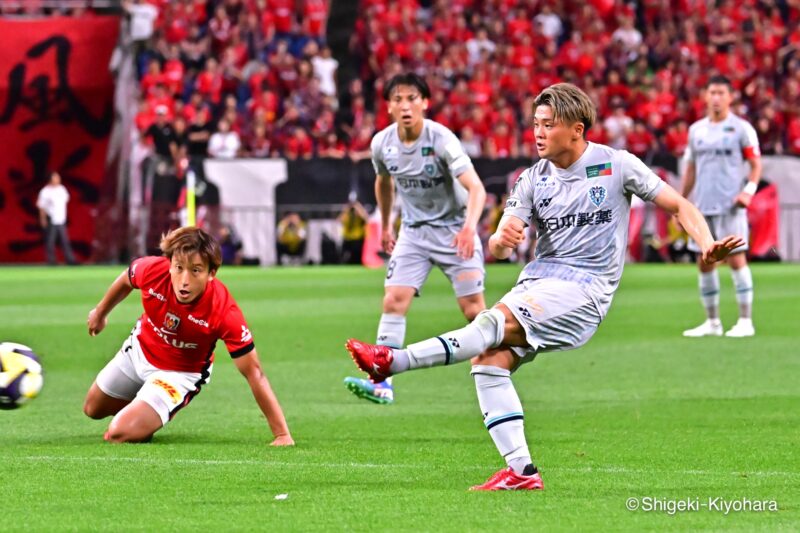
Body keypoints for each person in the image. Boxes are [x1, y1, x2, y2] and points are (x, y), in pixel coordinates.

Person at [345, 83, 743, 490]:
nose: (537, 133)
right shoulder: (532, 178)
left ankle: (392, 362)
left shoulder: (616, 164)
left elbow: (679, 205)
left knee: (490, 323)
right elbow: (502, 239)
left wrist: (706, 242)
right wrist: (502, 241)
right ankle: (521, 472)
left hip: (586, 289)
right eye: (535, 124)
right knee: (487, 361)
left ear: (577, 129)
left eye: (547, 125)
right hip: (540, 280)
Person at [343, 73, 487, 405]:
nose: (405, 106)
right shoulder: (382, 143)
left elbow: (476, 187)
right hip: (415, 232)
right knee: (394, 300)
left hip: (454, 231)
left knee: (473, 309)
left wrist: (468, 228)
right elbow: (383, 182)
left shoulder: (442, 139)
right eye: (398, 99)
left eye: (412, 98)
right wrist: (388, 224)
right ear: (389, 107)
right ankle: (382, 384)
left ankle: (495, 366)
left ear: (425, 103)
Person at [82, 226, 294, 445]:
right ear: (170, 264)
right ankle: (144, 410)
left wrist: (282, 434)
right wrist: (100, 313)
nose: (184, 280)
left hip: (178, 373)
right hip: (139, 349)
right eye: (179, 267)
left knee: (119, 433)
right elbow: (127, 278)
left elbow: (254, 372)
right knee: (92, 408)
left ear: (211, 273)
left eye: (195, 270)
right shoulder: (154, 270)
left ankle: (144, 413)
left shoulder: (223, 311)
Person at [680, 75, 761, 338]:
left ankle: (745, 321)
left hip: (730, 207)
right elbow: (691, 169)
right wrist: (680, 202)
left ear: (730, 97)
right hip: (702, 207)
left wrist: (748, 192)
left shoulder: (741, 128)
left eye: (721, 93)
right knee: (704, 263)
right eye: (712, 92)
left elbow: (756, 165)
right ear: (705, 96)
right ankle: (712, 322)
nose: (716, 97)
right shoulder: (696, 130)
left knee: (737, 260)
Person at [37, 171, 77, 265]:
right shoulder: (45, 191)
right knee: (50, 241)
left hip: (61, 219)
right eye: (56, 178)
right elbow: (42, 206)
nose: (58, 179)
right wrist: (43, 219)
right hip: (51, 219)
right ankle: (51, 260)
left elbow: (65, 201)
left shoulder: (62, 189)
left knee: (65, 241)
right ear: (50, 179)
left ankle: (70, 259)